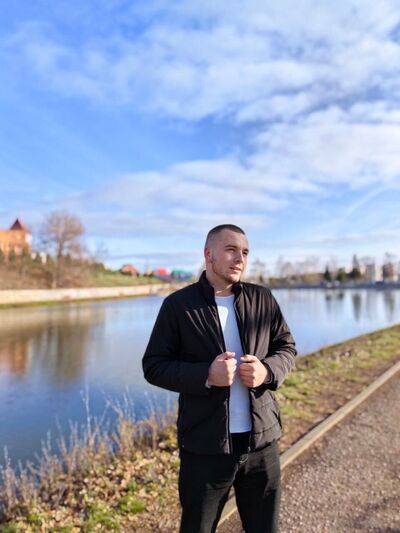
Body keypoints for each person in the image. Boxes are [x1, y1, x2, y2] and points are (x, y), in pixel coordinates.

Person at [142, 224, 296, 533]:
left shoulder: (262, 298)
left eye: (245, 252)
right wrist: (206, 375)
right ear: (208, 254)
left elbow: (286, 348)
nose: (240, 258)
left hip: (261, 445)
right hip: (205, 447)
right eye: (231, 250)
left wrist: (267, 371)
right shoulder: (178, 305)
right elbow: (154, 366)